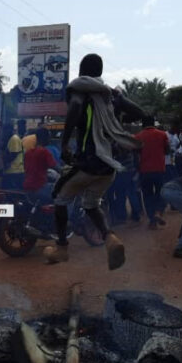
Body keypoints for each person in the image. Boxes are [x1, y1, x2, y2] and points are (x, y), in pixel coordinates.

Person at [44, 53, 144, 269]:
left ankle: (61, 247)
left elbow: (76, 107)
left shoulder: (79, 90)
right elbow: (140, 112)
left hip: (88, 163)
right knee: (90, 204)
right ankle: (110, 239)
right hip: (109, 168)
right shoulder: (111, 94)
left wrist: (64, 143)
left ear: (81, 70)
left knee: (60, 198)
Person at [134, 116, 169, 229]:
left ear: (143, 124)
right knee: (162, 192)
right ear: (153, 123)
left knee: (148, 195)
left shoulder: (138, 136)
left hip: (144, 171)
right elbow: (167, 150)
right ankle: (158, 212)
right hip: (160, 169)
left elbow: (136, 154)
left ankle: (152, 221)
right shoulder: (163, 134)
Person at [107, 145, 143, 225]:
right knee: (132, 194)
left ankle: (122, 216)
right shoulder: (128, 145)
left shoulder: (114, 147)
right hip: (130, 171)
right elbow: (136, 159)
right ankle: (136, 214)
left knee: (121, 195)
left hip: (120, 173)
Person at [22, 127, 58, 201]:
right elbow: (55, 166)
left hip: (27, 187)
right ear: (45, 138)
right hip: (40, 187)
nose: (49, 139)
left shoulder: (28, 152)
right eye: (49, 137)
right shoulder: (45, 152)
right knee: (65, 192)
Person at [1, 121, 25, 190]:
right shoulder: (9, 139)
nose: (3, 132)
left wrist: (3, 160)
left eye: (4, 130)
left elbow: (13, 155)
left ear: (9, 130)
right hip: (10, 172)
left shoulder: (14, 139)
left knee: (13, 195)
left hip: (15, 172)